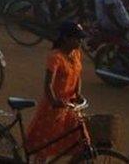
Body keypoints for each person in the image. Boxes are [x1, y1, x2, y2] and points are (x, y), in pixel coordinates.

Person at [24, 22, 87, 161]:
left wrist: (78, 94)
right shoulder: (55, 57)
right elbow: (48, 84)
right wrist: (54, 101)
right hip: (53, 109)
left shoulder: (76, 54)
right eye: (77, 38)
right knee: (45, 147)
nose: (80, 41)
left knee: (81, 142)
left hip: (70, 106)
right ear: (66, 38)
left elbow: (78, 76)